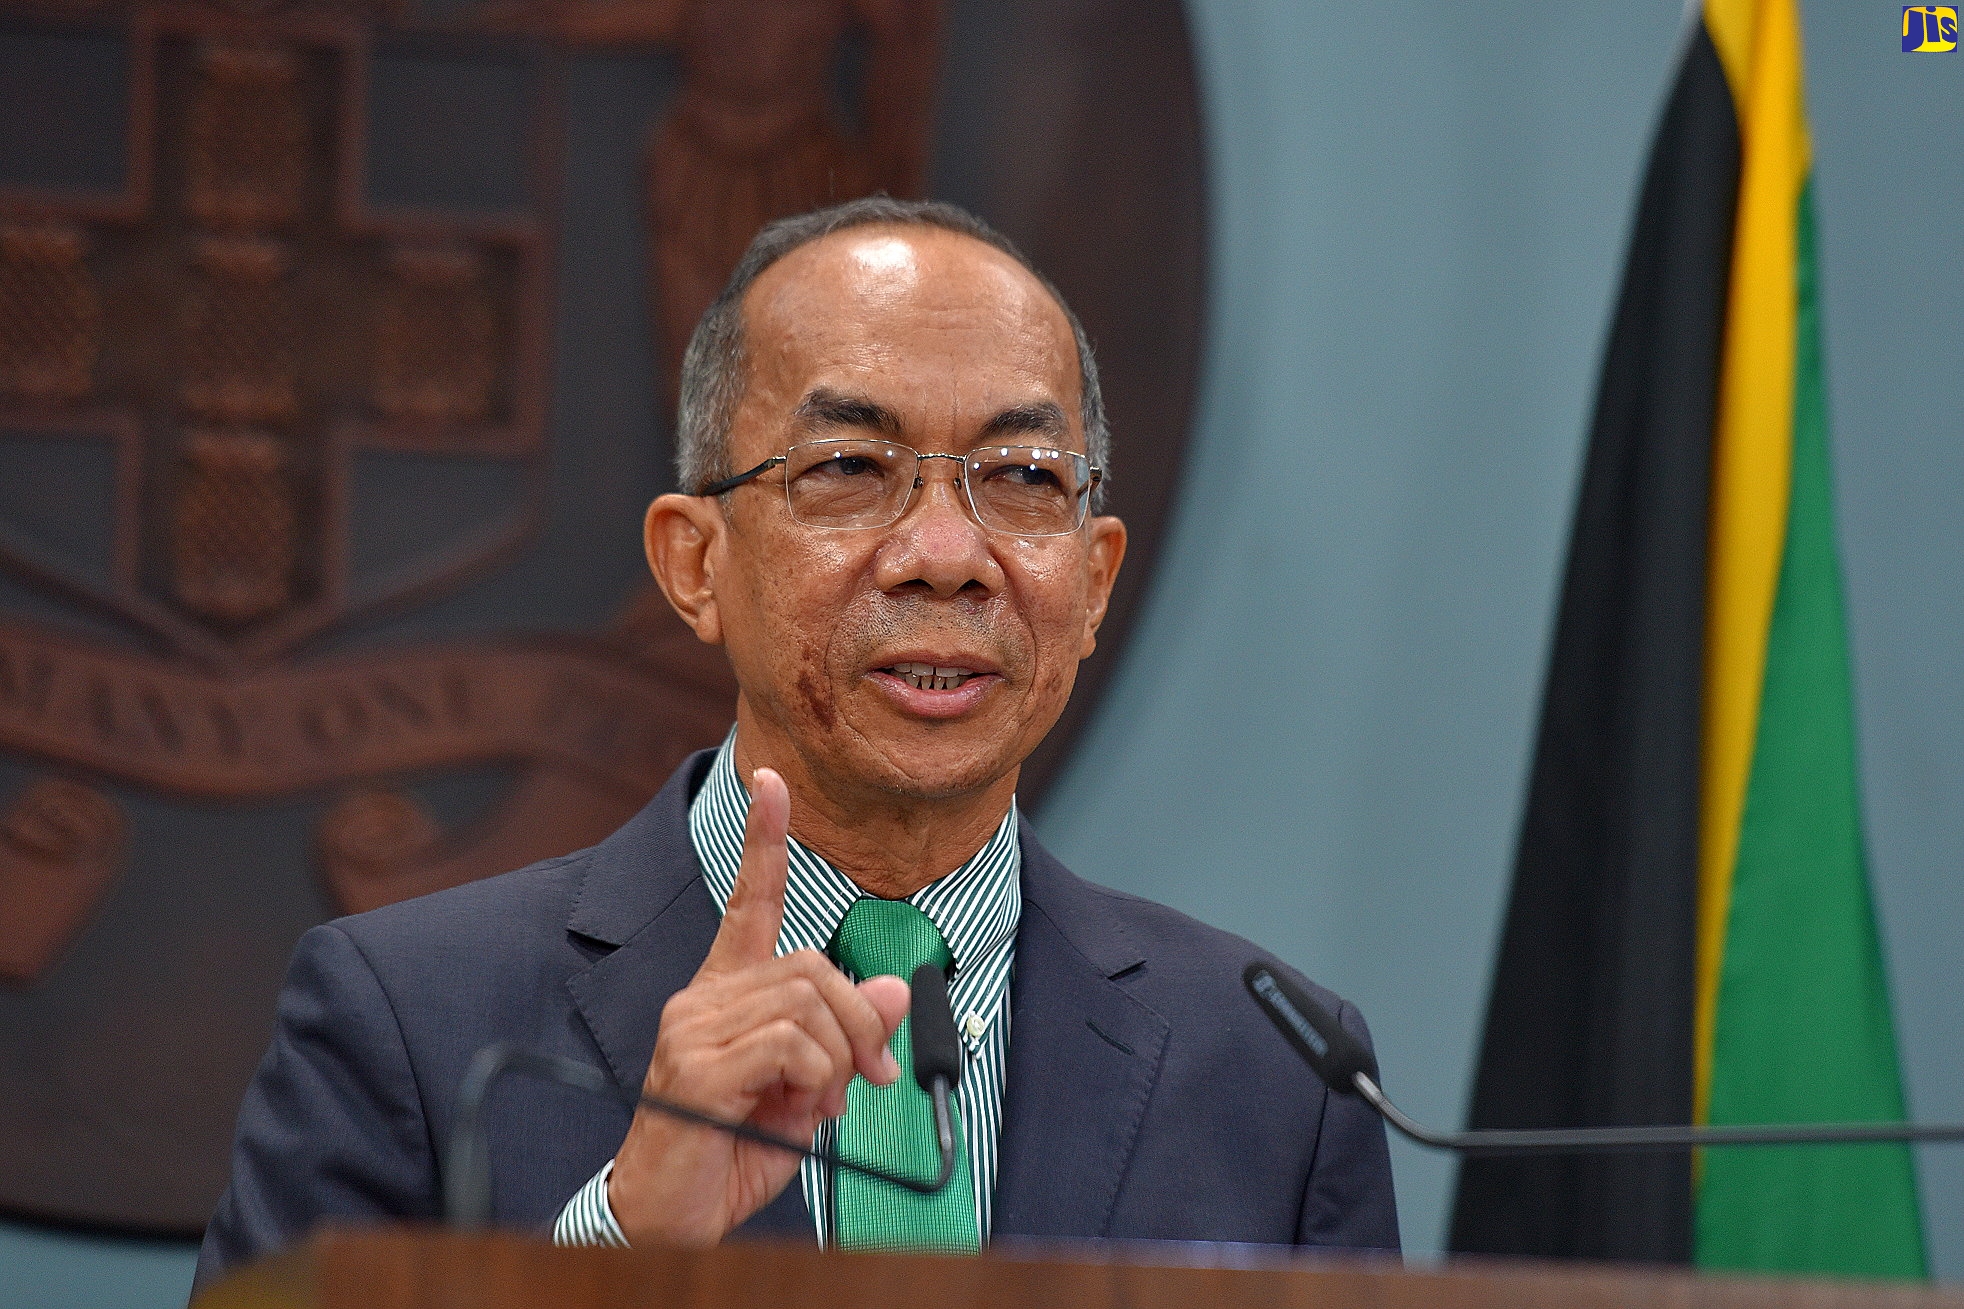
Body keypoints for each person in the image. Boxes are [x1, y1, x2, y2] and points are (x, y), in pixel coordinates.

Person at [194, 196, 1399, 1288]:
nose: (943, 554)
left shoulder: (1274, 1071)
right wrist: (621, 1245)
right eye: (850, 468)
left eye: (1023, 475)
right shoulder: (408, 1019)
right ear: (692, 563)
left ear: (1091, 585)